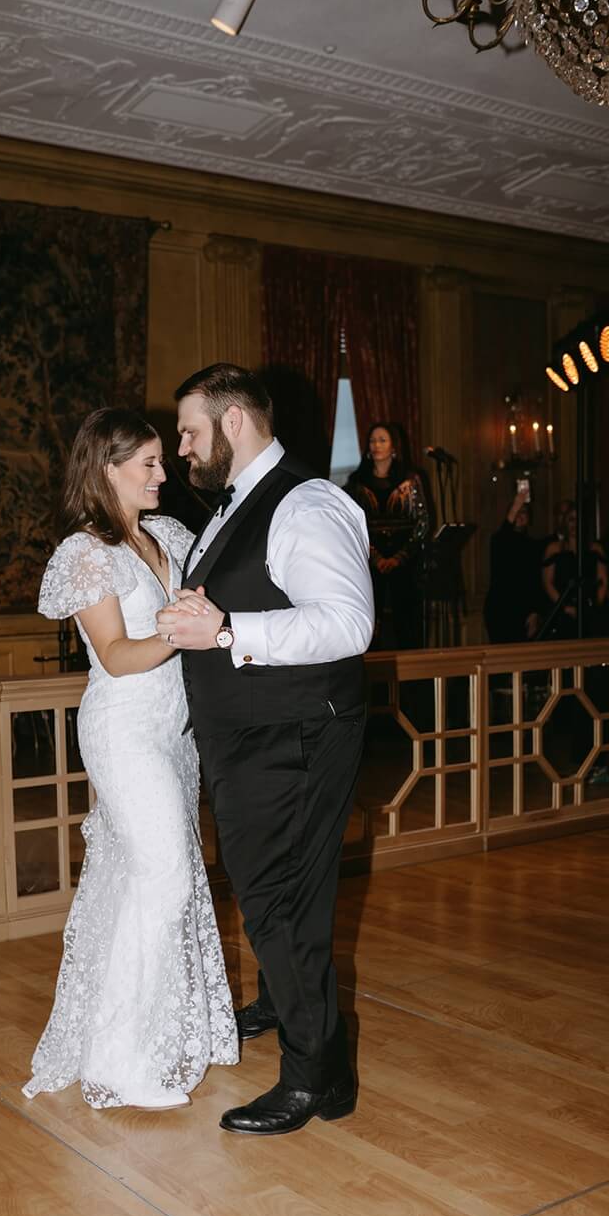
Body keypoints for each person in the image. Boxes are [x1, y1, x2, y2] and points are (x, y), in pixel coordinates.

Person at [157, 363, 376, 1135]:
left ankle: (315, 1078)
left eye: (190, 430)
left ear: (234, 422)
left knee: (282, 905)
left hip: (296, 733)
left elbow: (349, 625)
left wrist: (222, 630)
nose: (181, 447)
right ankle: (300, 1024)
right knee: (268, 897)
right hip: (253, 736)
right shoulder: (231, 509)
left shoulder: (306, 502)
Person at [23, 408, 238, 1112]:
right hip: (121, 730)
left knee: (145, 884)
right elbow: (116, 657)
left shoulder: (168, 536)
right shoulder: (85, 554)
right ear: (106, 470)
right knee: (169, 878)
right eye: (146, 463)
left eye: (159, 460)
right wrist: (181, 632)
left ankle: (152, 1034)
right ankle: (120, 1061)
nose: (162, 473)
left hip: (173, 734)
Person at [343, 421, 427, 650]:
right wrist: (375, 557)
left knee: (406, 624)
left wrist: (400, 557)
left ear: (393, 446)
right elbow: (350, 525)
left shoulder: (411, 480)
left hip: (405, 564)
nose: (376, 445)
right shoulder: (356, 482)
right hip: (369, 563)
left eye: (382, 440)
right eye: (372, 440)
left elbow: (422, 523)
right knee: (373, 622)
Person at [540, 505, 608, 637]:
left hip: (590, 610)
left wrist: (594, 606)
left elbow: (603, 580)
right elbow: (547, 583)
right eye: (571, 519)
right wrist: (565, 607)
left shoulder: (595, 548)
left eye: (578, 520)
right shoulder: (554, 548)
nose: (575, 524)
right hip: (561, 611)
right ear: (565, 522)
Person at [484, 492, 542, 643]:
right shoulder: (499, 540)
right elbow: (504, 534)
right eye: (517, 511)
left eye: (524, 512)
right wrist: (516, 504)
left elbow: (536, 581)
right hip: (500, 609)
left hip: (522, 611)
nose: (519, 515)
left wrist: (535, 612)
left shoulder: (533, 546)